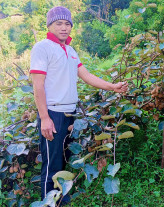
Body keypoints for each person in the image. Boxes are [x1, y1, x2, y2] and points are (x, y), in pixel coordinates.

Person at [30, 6, 128, 202]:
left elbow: (86, 75)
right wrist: (45, 118)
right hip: (53, 114)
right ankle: (48, 203)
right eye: (59, 24)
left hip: (70, 114)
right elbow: (37, 85)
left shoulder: (71, 50)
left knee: (63, 158)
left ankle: (58, 198)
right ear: (50, 25)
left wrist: (112, 86)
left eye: (67, 24)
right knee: (51, 164)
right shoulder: (42, 47)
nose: (64, 28)